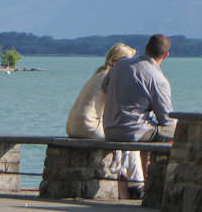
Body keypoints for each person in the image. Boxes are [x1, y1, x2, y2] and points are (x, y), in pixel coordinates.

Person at [65, 43, 143, 197]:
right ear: (116, 61)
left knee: (122, 139)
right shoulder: (111, 76)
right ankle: (137, 186)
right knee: (129, 140)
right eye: (127, 61)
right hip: (89, 126)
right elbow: (113, 110)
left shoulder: (99, 74)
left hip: (73, 126)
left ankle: (127, 183)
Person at [102, 33, 176, 195]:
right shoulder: (158, 79)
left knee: (150, 128)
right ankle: (154, 184)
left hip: (109, 129)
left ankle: (141, 182)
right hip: (134, 132)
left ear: (145, 48)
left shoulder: (120, 65)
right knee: (177, 132)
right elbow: (166, 119)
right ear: (166, 55)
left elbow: (105, 86)